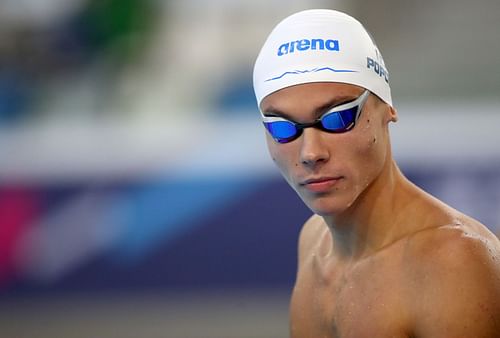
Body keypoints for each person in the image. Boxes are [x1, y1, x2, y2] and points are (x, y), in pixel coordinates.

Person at [252, 9, 500, 337]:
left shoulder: (452, 263)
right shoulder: (312, 240)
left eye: (336, 118)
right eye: (282, 128)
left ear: (387, 108)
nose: (311, 153)